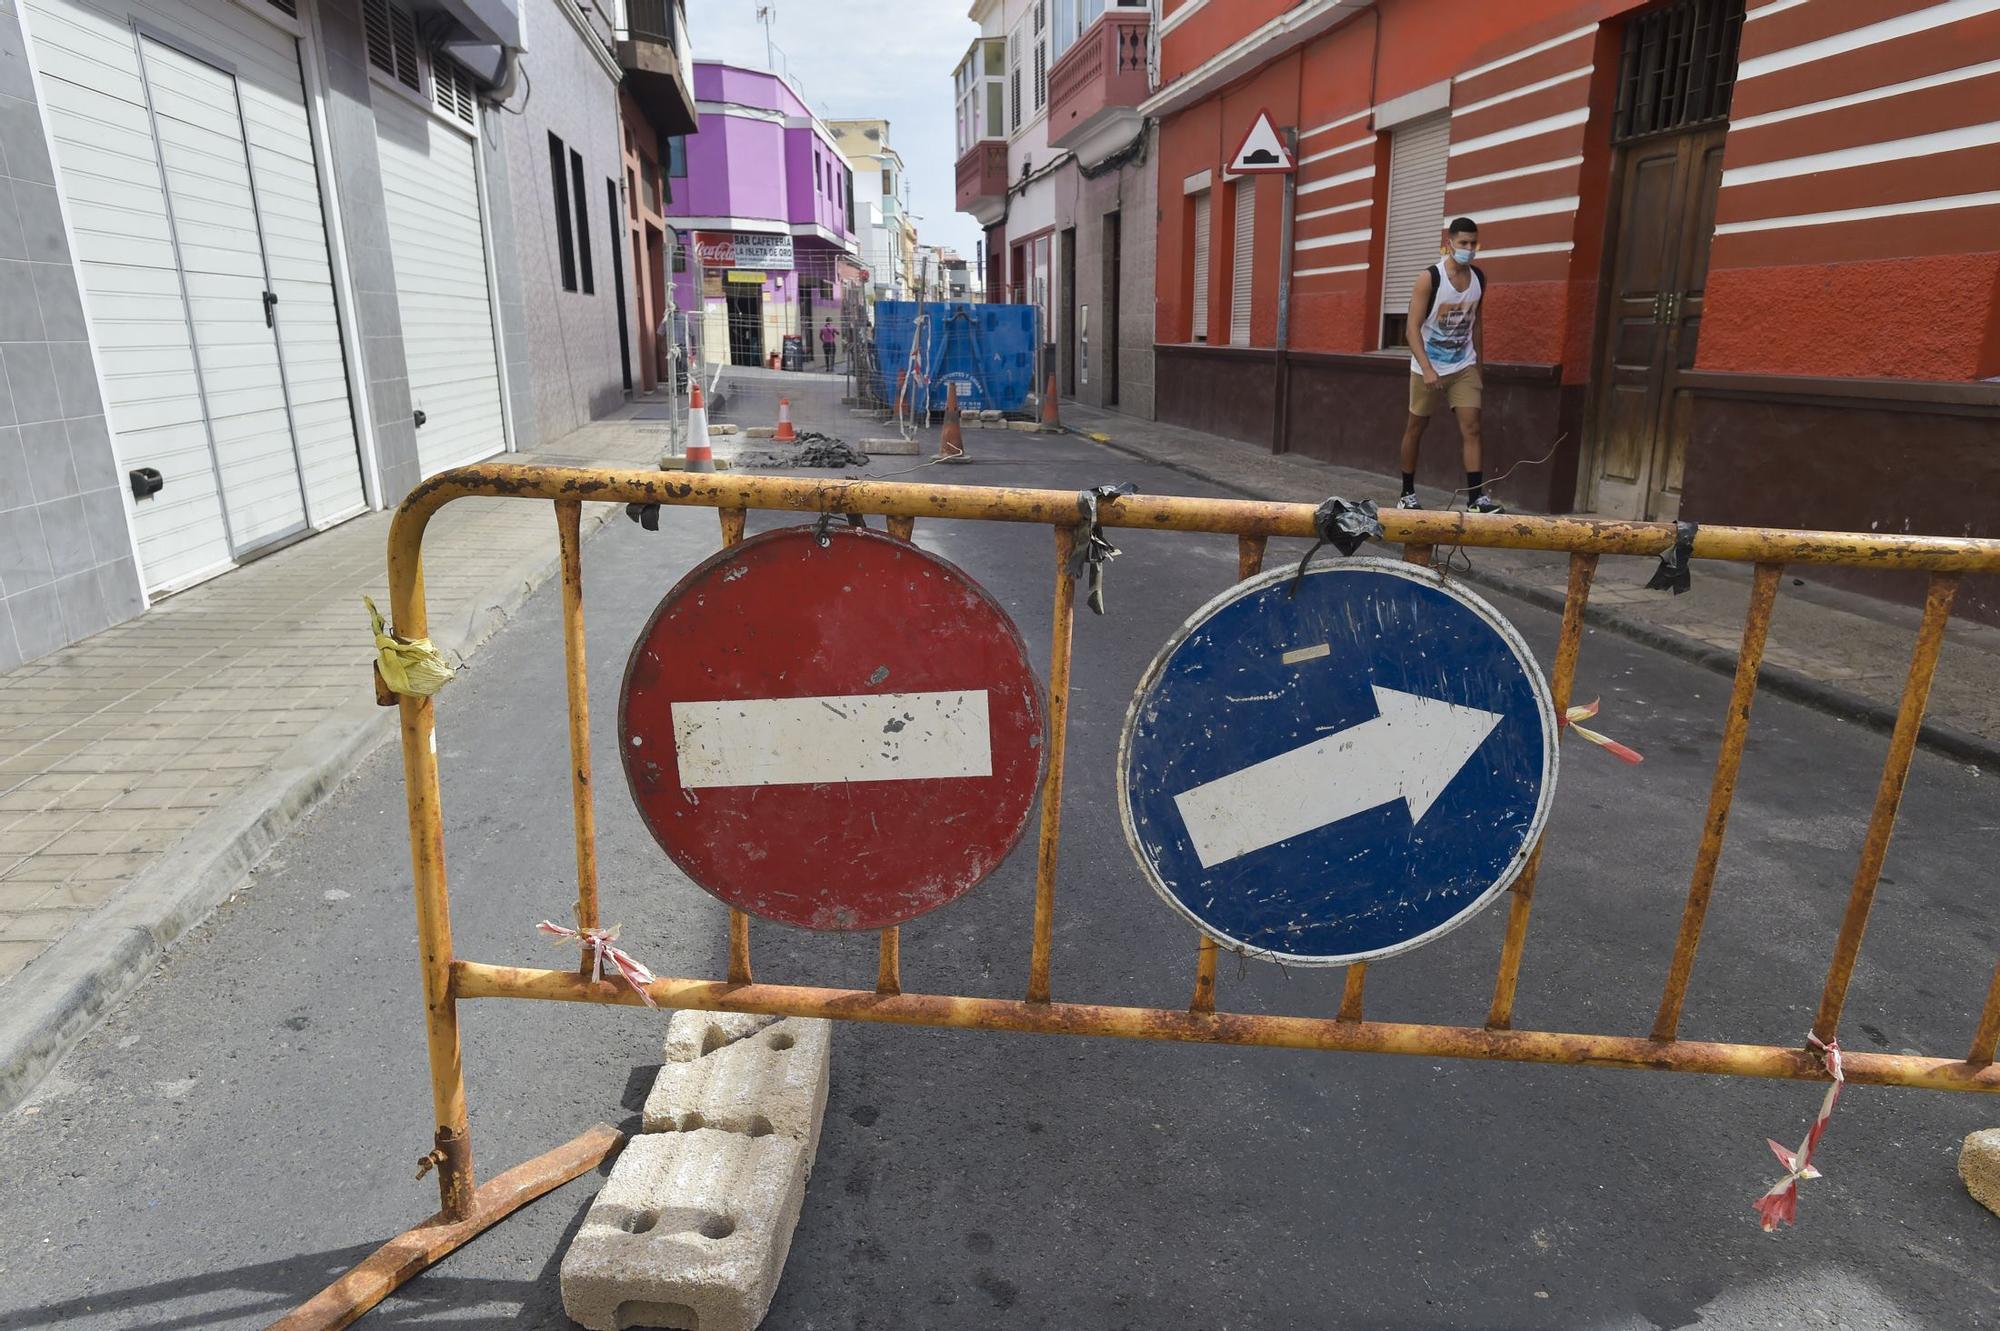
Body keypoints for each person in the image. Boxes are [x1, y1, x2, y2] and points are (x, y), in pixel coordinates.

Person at [1398, 217, 1503, 514]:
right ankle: (1406, 492)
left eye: (1474, 244)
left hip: (1463, 365)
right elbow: (1411, 329)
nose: (1469, 249)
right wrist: (1428, 369)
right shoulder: (1430, 278)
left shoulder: (1479, 279)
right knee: (1416, 426)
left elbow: (1476, 325)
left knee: (1472, 428)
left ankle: (1475, 499)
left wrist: (1480, 366)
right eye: (1463, 243)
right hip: (1427, 366)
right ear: (1449, 244)